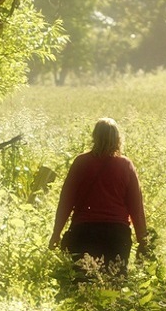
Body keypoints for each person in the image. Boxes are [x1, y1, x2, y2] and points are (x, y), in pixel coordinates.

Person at [49, 117, 148, 279]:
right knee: (114, 284)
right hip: (116, 235)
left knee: (83, 282)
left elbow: (66, 201)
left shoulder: (81, 162)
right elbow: (136, 209)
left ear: (94, 137)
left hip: (84, 232)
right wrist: (143, 242)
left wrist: (56, 233)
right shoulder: (126, 165)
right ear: (118, 139)